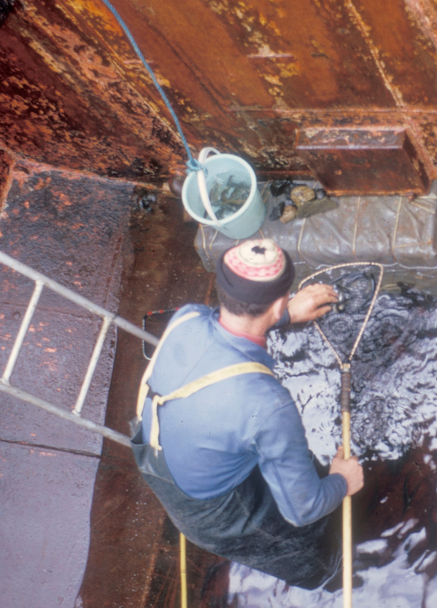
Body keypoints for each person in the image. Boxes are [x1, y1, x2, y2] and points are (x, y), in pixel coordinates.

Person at [131, 238, 364, 589]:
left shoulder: (187, 317)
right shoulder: (268, 405)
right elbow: (303, 509)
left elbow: (233, 329)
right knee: (307, 553)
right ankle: (330, 579)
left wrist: (284, 316)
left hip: (161, 453)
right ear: (279, 300)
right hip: (214, 513)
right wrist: (343, 480)